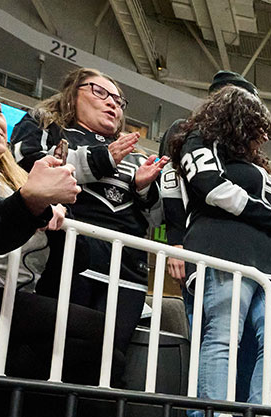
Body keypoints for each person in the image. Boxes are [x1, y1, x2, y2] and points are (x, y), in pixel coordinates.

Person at [0, 56, 105, 383]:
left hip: (8, 300)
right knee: (92, 335)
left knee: (101, 353)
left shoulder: (15, 176)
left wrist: (54, 212)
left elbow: (78, 257)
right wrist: (31, 201)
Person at [167, 86, 271, 417]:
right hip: (224, 251)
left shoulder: (254, 166)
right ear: (238, 120)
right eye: (255, 128)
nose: (261, 138)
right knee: (222, 337)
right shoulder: (198, 139)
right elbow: (213, 189)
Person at [10, 68, 168, 382]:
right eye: (100, 92)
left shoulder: (138, 158)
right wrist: (100, 159)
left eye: (119, 100)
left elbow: (158, 221)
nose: (113, 104)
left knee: (111, 362)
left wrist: (143, 188)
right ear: (73, 91)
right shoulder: (46, 126)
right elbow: (25, 168)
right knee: (55, 353)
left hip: (127, 272)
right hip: (67, 259)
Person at [159, 71, 264, 417]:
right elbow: (170, 184)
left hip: (244, 252)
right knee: (213, 332)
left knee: (239, 339)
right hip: (201, 243)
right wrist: (175, 242)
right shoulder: (186, 131)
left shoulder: (239, 148)